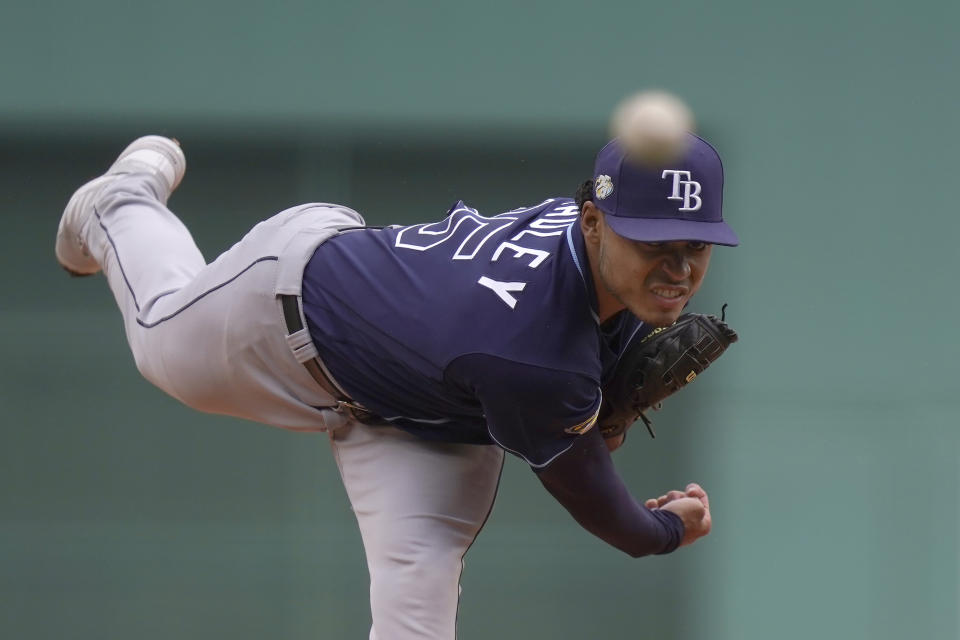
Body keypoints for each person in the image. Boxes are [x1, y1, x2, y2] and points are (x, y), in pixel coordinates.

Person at [55, 132, 738, 640]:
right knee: (158, 339)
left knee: (419, 608)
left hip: (422, 413)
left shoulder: (573, 242)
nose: (678, 267)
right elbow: (610, 513)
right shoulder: (537, 362)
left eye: (695, 247)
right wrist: (664, 532)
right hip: (288, 305)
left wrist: (594, 403)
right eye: (654, 244)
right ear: (593, 221)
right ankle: (121, 203)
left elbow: (568, 369)